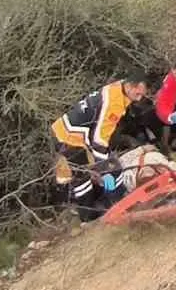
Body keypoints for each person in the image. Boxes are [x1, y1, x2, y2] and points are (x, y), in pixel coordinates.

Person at [51, 74, 152, 220]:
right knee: (83, 177)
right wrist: (105, 169)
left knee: (95, 170)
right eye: (137, 94)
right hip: (69, 138)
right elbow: (99, 140)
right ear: (129, 86)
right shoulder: (114, 103)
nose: (138, 98)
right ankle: (90, 215)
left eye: (142, 95)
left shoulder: (119, 87)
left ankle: (105, 203)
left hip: (70, 132)